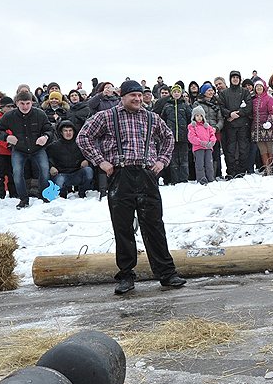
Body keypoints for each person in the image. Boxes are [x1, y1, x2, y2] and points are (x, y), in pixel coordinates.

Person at [76, 79, 186, 294]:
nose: (137, 99)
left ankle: (166, 273)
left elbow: (168, 138)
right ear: (122, 97)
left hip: (147, 174)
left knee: (154, 224)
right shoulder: (107, 116)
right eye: (132, 96)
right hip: (121, 174)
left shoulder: (152, 117)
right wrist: (101, 161)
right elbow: (84, 137)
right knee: (123, 227)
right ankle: (126, 275)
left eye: (139, 95)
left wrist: (162, 161)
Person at [0, 91, 54, 209]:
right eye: (22, 103)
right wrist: (7, 137)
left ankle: (44, 196)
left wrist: (45, 137)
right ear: (17, 103)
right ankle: (23, 199)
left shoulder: (39, 114)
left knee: (45, 169)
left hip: (37, 148)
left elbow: (50, 129)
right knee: (17, 172)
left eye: (28, 103)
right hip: (19, 149)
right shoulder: (10, 116)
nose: (25, 106)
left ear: (32, 103)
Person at [218, 70, 253, 178]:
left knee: (243, 148)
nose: (235, 79)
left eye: (237, 77)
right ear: (230, 79)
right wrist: (229, 114)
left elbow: (249, 106)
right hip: (230, 126)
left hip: (243, 124)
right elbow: (221, 107)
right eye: (233, 77)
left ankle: (241, 171)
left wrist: (236, 114)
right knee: (230, 149)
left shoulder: (244, 92)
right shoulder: (224, 93)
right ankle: (231, 171)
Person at [46, 120, 93, 198]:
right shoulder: (54, 146)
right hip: (62, 175)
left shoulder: (79, 144)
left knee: (88, 171)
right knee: (60, 180)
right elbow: (45, 158)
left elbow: (89, 155)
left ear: (74, 131)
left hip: (77, 174)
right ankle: (62, 194)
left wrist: (86, 160)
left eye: (70, 130)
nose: (68, 133)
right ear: (61, 132)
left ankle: (82, 192)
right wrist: (51, 167)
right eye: (65, 131)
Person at [160, 84, 191, 184]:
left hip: (183, 137)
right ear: (171, 94)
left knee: (184, 159)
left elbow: (190, 120)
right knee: (173, 160)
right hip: (171, 138)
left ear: (181, 93)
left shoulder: (185, 105)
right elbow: (162, 120)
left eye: (178, 92)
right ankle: (175, 180)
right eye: (174, 92)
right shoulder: (167, 105)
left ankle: (184, 179)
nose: (176, 93)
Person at [250, 80, 273, 174]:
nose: (259, 88)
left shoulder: (269, 99)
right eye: (257, 87)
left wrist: (269, 121)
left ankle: (271, 167)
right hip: (256, 127)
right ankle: (267, 168)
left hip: (267, 126)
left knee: (269, 147)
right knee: (262, 148)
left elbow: (272, 112)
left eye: (260, 87)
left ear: (264, 88)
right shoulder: (253, 100)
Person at [187, 106, 217, 185]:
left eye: (201, 116)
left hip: (208, 148)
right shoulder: (192, 126)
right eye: (197, 116)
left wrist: (212, 142)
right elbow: (192, 138)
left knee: (209, 164)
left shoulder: (207, 126)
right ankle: (201, 179)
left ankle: (210, 178)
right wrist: (201, 142)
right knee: (200, 164)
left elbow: (212, 135)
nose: (199, 118)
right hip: (198, 148)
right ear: (194, 117)